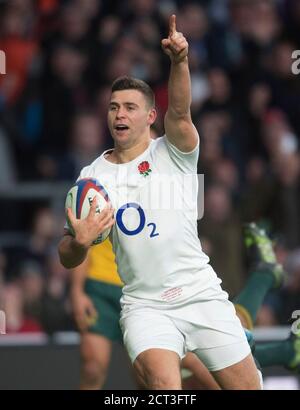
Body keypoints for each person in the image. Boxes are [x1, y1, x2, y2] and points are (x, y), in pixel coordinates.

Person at [59, 15, 261, 389]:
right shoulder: (91, 178)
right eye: (113, 107)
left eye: (130, 107)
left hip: (201, 293)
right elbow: (66, 254)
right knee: (165, 388)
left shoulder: (174, 151)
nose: (120, 114)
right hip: (145, 306)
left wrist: (179, 61)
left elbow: (181, 111)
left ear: (151, 116)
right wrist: (79, 242)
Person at [70, 239, 124, 390]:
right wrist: (77, 291)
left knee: (147, 376)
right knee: (92, 369)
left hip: (139, 288)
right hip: (98, 288)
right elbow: (83, 238)